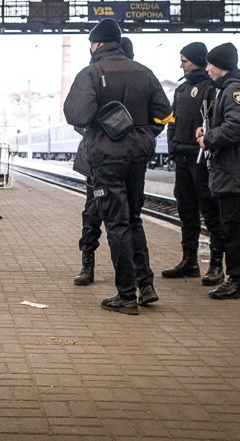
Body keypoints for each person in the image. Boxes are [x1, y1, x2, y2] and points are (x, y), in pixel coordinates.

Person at [64, 19, 172, 315]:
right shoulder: (145, 73)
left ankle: (126, 295)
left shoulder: (92, 72)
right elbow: (165, 115)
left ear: (97, 44)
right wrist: (146, 133)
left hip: (107, 159)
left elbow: (77, 114)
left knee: (116, 224)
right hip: (137, 157)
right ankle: (146, 284)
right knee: (134, 218)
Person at [196, 42, 240, 299]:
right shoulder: (234, 87)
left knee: (234, 226)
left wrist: (209, 139)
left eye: (209, 64)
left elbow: (238, 126)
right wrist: (210, 132)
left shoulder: (234, 89)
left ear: (219, 65)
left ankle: (236, 281)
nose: (207, 69)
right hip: (236, 164)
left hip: (235, 166)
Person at [163, 42, 227, 284]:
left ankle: (216, 264)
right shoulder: (180, 90)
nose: (181, 65)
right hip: (182, 157)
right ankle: (189, 261)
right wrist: (172, 148)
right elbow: (172, 120)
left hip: (202, 160)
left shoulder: (211, 88)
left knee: (210, 212)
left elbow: (215, 120)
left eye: (185, 60)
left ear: (198, 61)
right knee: (186, 211)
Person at [72, 36, 135, 286]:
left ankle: (129, 275)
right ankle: (88, 263)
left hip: (123, 159)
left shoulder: (136, 81)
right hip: (97, 160)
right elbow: (78, 117)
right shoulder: (95, 77)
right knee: (94, 212)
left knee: (125, 219)